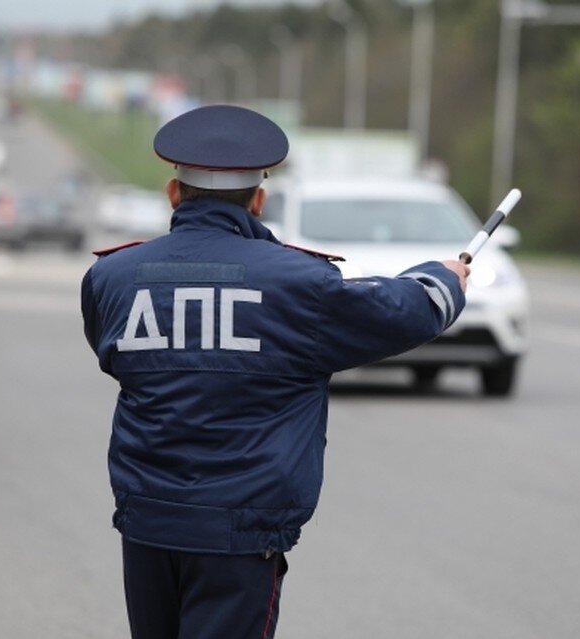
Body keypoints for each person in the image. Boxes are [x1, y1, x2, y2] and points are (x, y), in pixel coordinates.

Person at [80, 104, 469, 639]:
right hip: (240, 534)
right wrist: (443, 279)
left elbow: (111, 354)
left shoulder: (112, 277)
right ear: (259, 201)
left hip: (147, 519)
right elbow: (401, 312)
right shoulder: (301, 284)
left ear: (174, 194)